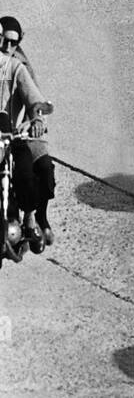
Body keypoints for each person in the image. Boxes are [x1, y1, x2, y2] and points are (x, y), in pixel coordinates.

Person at [0, 17, 54, 254]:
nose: (6, 47)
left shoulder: (18, 67)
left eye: (12, 43)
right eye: (3, 41)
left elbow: (34, 99)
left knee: (30, 171)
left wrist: (37, 120)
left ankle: (33, 218)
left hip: (15, 135)